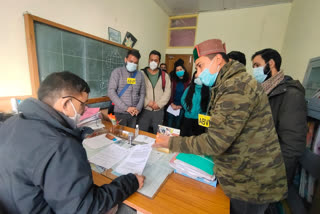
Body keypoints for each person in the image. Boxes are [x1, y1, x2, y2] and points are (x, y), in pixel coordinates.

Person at [154, 39, 287, 214]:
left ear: (218, 60)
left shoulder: (236, 86)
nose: (199, 73)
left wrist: (171, 143)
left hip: (251, 181)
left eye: (201, 66)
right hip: (243, 172)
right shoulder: (227, 83)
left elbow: (216, 142)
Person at [0, 71, 144, 214]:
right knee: (128, 209)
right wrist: (130, 182)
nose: (84, 110)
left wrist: (79, 134)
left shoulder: (11, 122)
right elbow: (85, 208)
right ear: (66, 103)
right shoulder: (61, 146)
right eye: (83, 104)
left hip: (19, 204)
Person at [251, 48, 307, 187]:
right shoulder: (264, 91)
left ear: (271, 63)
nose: (254, 70)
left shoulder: (291, 95)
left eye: (257, 65)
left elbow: (292, 146)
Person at [108, 49, 145, 128]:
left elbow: (142, 93)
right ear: (125, 59)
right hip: (120, 113)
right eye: (131, 61)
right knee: (120, 136)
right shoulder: (117, 72)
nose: (133, 64)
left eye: (135, 63)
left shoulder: (140, 75)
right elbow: (111, 92)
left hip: (134, 113)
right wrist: (126, 108)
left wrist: (138, 108)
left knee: (132, 136)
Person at [138, 50, 171, 134]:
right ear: (148, 60)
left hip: (159, 111)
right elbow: (136, 91)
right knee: (142, 134)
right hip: (144, 110)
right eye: (151, 60)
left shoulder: (165, 76)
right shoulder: (141, 74)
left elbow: (167, 92)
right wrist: (147, 102)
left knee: (158, 135)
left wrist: (159, 104)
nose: (153, 62)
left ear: (159, 62)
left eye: (155, 60)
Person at [180, 72, 210, 136]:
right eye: (196, 77)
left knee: (198, 138)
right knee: (185, 136)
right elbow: (182, 99)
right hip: (188, 116)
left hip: (202, 118)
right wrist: (188, 108)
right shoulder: (189, 88)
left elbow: (210, 103)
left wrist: (205, 112)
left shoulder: (208, 90)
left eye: (199, 77)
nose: (197, 79)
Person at [166, 59, 190, 129]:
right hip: (172, 106)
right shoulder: (172, 80)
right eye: (177, 70)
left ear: (184, 70)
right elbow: (169, 93)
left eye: (180, 69)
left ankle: (175, 139)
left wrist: (181, 106)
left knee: (177, 125)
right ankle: (168, 139)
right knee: (169, 125)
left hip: (181, 107)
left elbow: (188, 96)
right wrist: (171, 103)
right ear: (175, 72)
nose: (179, 71)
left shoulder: (188, 81)